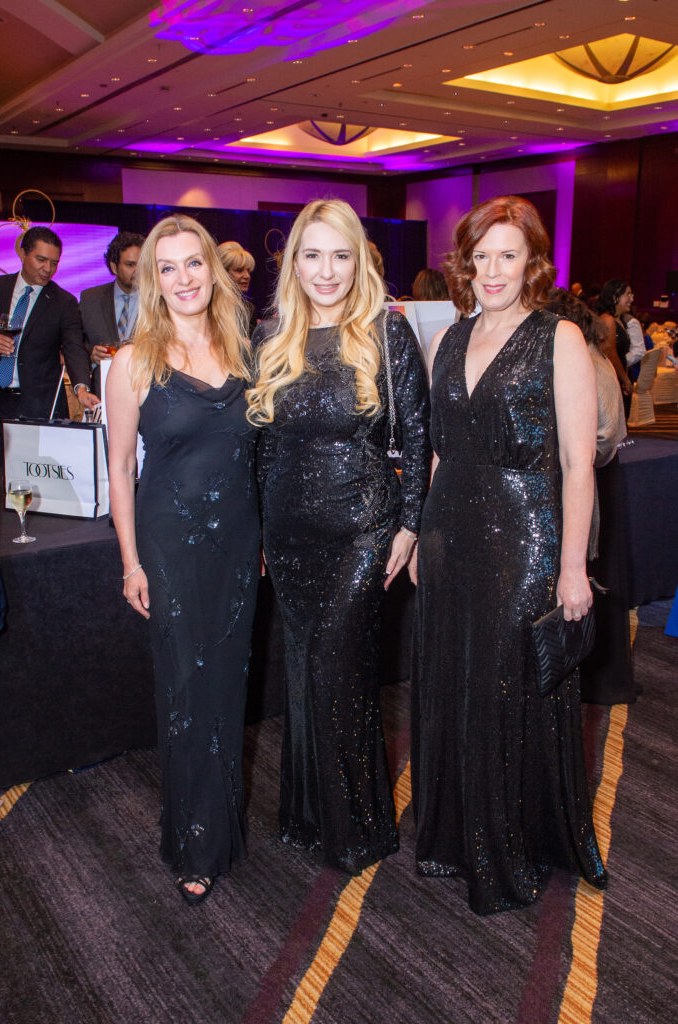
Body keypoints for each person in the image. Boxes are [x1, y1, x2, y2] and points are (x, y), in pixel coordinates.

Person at [410, 195, 607, 914]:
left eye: (506, 255)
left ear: (531, 264)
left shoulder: (556, 338)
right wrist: (420, 538)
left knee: (504, 684)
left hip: (523, 535)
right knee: (451, 678)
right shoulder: (445, 340)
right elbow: (437, 452)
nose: (491, 269)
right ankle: (454, 833)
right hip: (448, 533)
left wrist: (570, 566)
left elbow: (578, 465)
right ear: (465, 263)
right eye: (480, 255)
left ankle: (510, 839)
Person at [247, 199, 430, 874]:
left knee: (339, 674)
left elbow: (417, 435)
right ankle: (306, 816)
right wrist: (260, 529)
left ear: (360, 261)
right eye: (313, 254)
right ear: (293, 261)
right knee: (301, 674)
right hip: (290, 534)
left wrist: (409, 524)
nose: (326, 270)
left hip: (360, 530)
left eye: (340, 255)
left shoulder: (386, 332)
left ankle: (356, 827)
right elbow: (263, 448)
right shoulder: (271, 335)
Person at [106, 215, 259, 906]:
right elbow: (118, 472)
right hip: (169, 547)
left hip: (236, 547)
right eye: (166, 268)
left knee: (227, 689)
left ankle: (219, 823)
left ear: (213, 269)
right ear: (151, 281)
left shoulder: (247, 349)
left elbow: (257, 455)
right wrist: (131, 562)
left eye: (192, 263)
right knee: (185, 692)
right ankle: (192, 841)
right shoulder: (133, 361)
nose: (183, 279)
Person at [546, 288, 635, 704]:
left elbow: (603, 439)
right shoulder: (587, 356)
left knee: (586, 583)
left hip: (591, 484)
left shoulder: (585, 362)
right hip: (589, 484)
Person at [0, 227, 98, 425]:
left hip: (38, 406)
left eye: (54, 263)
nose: (48, 269)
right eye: (41, 260)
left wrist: (81, 388)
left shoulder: (63, 302)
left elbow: (74, 347)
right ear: (23, 253)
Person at [79, 232, 145, 395]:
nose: (137, 271)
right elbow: (75, 345)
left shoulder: (157, 301)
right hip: (102, 393)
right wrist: (91, 356)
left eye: (141, 264)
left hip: (143, 392)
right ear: (114, 267)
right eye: (130, 265)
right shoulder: (90, 299)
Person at [597, 279, 635, 416]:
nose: (632, 298)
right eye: (628, 294)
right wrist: (625, 379)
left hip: (618, 377)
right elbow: (609, 352)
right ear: (615, 297)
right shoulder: (608, 320)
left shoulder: (620, 320)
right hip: (612, 378)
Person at [218, 241, 257, 337]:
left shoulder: (249, 309)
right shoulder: (206, 307)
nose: (247, 276)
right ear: (222, 272)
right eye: (239, 270)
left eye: (248, 271)